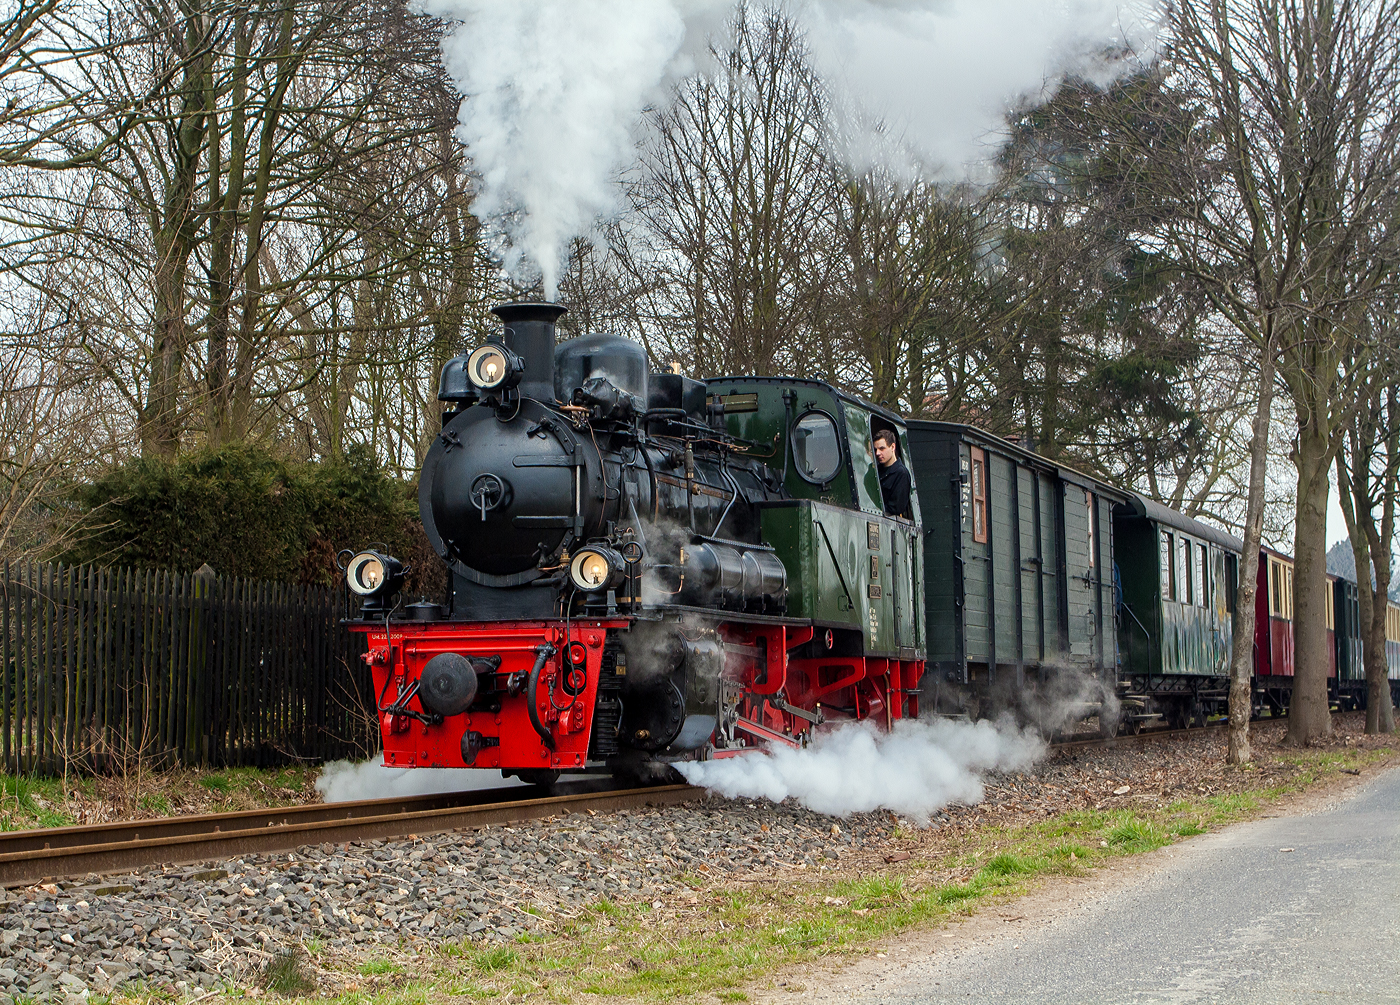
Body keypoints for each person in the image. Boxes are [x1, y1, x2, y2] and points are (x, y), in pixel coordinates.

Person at [874, 429, 913, 520]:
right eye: (875, 449)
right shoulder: (874, 470)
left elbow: (896, 508)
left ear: (892, 447)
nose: (877, 453)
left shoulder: (901, 474)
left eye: (882, 449)